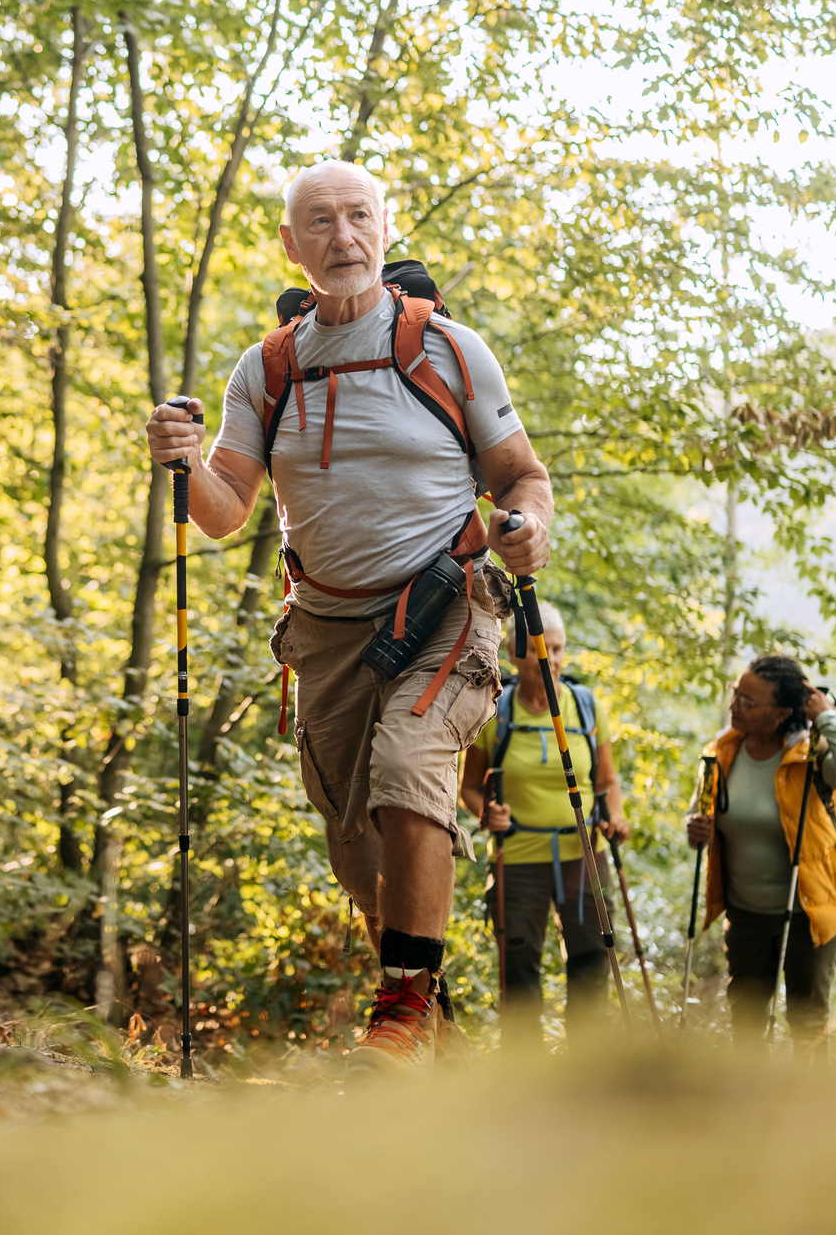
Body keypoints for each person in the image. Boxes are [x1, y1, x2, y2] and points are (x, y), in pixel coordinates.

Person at [144, 158, 552, 1076]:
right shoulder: (269, 369)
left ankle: (400, 1019)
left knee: (410, 766)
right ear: (291, 243)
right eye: (320, 222)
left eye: (358, 217)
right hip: (326, 631)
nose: (343, 237)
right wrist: (180, 462)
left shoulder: (450, 350)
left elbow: (521, 476)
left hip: (443, 606)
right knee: (355, 849)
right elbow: (224, 510)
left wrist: (527, 528)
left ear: (383, 229)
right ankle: (433, 1035)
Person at [458, 600, 630, 1045]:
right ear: (516, 658)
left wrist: (616, 816)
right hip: (517, 858)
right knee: (518, 965)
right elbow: (470, 786)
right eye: (541, 650)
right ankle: (525, 1068)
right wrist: (486, 814)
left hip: (584, 854)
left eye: (558, 650)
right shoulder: (495, 712)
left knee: (592, 956)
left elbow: (608, 781)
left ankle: (585, 1064)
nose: (552, 660)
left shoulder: (587, 708)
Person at [683, 654, 836, 1050]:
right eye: (736, 695)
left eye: (748, 702)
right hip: (746, 913)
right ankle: (753, 1106)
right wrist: (695, 828)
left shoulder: (813, 754)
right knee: (747, 1025)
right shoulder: (720, 751)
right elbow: (698, 814)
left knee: (807, 1023)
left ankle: (809, 1107)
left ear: (784, 711)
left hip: (811, 911)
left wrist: (826, 718)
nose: (735, 706)